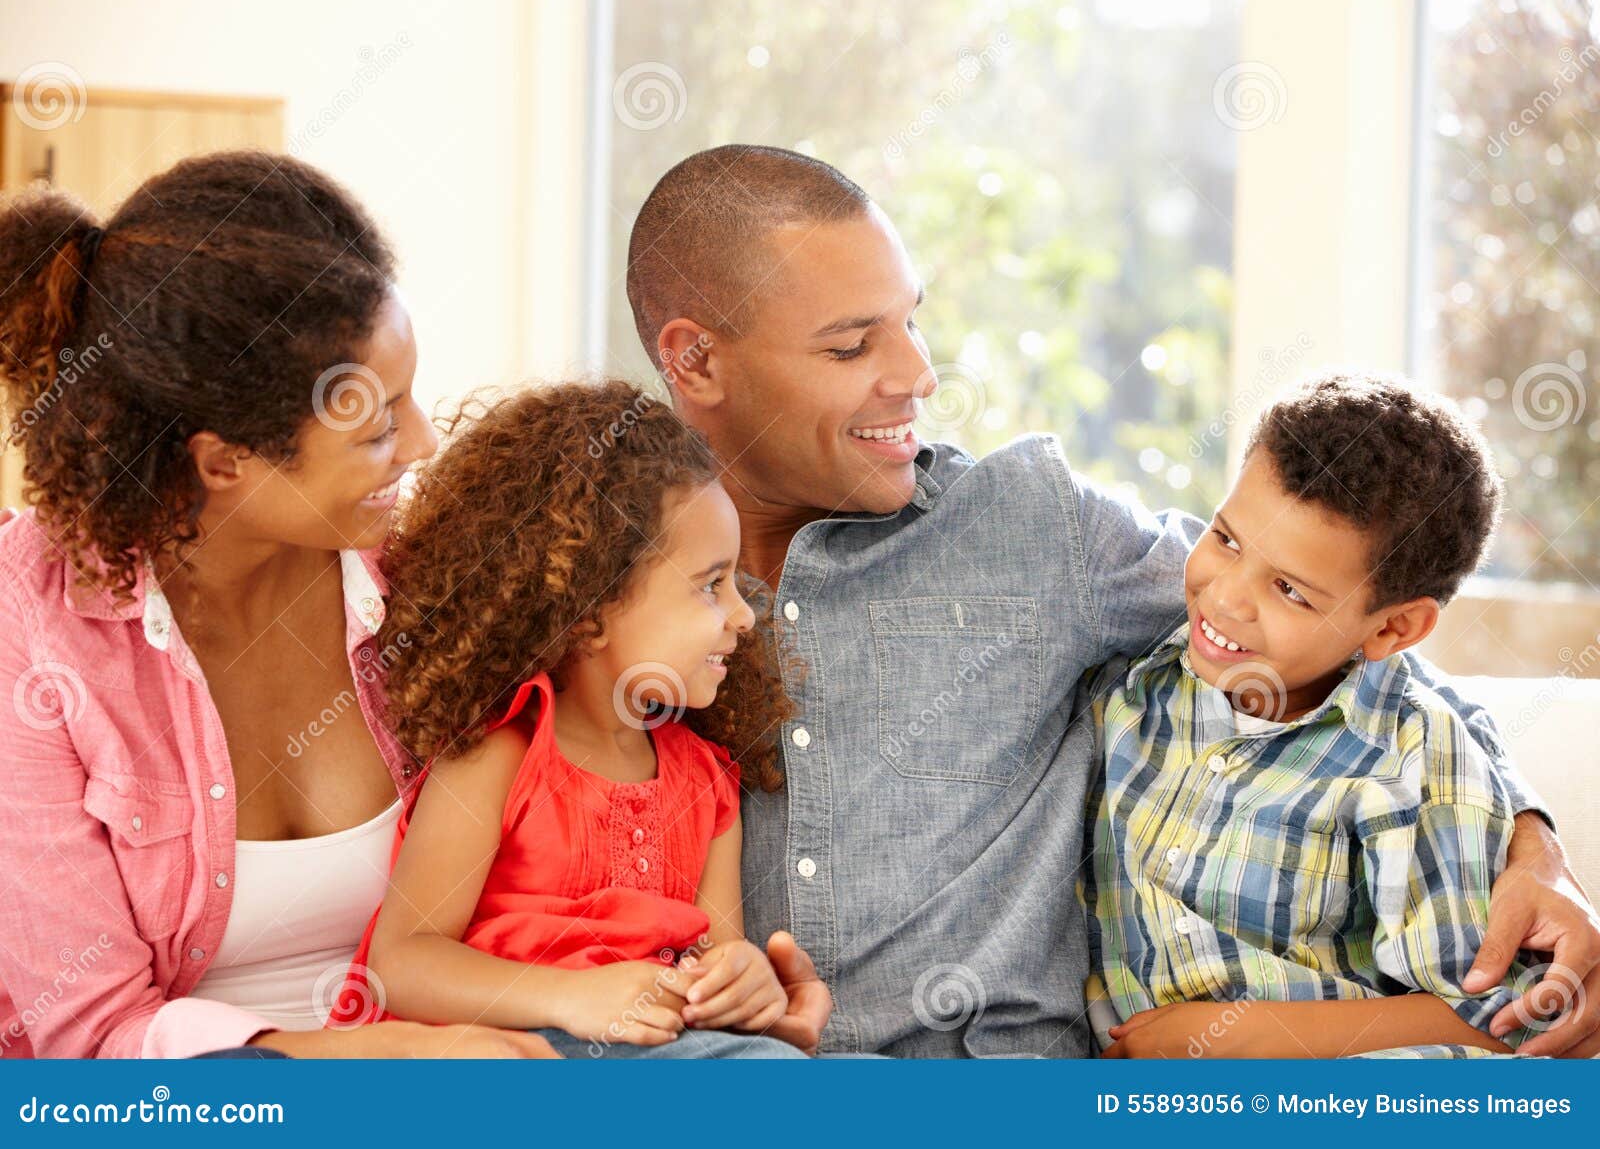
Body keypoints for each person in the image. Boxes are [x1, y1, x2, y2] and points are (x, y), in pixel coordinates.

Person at [622, 144, 1600, 1057]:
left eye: (910, 321)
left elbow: (1346, 635)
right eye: (849, 348)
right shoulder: (598, 568)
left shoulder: (1033, 526)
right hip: (719, 1075)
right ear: (696, 360)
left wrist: (1531, 837)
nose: (917, 374)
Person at [0, 151, 555, 1058]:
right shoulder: (28, 625)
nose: (422, 443)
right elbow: (84, 1045)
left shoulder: (420, 570)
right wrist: (375, 1060)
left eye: (411, 399)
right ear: (223, 462)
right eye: (376, 428)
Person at [333, 380, 813, 1058]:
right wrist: (571, 996)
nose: (742, 613)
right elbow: (402, 963)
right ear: (589, 610)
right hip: (509, 1055)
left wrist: (747, 983)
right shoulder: (500, 754)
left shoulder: (707, 783)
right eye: (711, 584)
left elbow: (718, 957)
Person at [1084, 373, 1533, 1058]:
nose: (1227, 598)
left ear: (1392, 629)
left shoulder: (1413, 757)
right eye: (1228, 538)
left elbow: (1497, 1022)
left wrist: (1259, 1035)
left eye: (1290, 589)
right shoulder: (1133, 685)